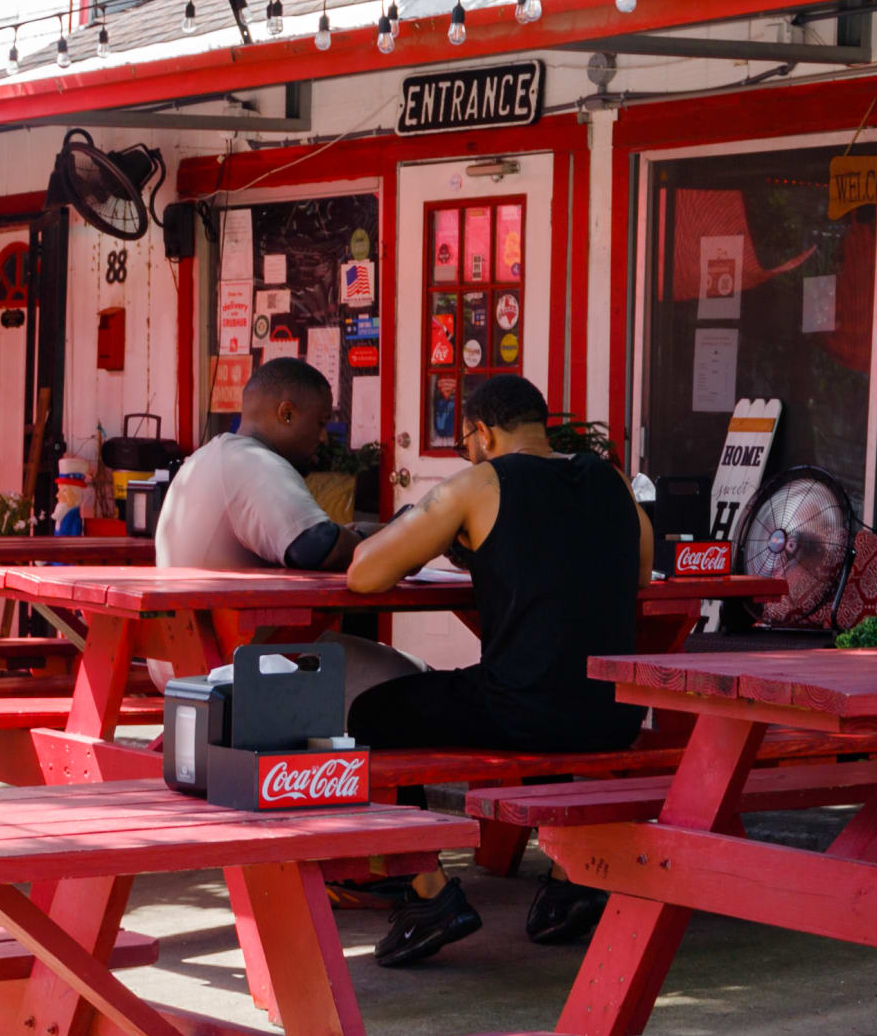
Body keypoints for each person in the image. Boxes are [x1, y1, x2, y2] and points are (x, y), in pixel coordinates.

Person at [341, 372, 652, 966]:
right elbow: (639, 574)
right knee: (542, 689)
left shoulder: (480, 484)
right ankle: (567, 877)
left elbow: (364, 573)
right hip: (614, 714)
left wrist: (440, 529)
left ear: (482, 434)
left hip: (523, 709)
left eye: (465, 443)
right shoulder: (612, 482)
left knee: (373, 713)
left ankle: (426, 890)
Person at [154, 356, 364, 572]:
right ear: (287, 414)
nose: (323, 438)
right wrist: (387, 538)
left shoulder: (207, 457)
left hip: (196, 603)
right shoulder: (255, 462)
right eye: (321, 423)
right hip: (217, 603)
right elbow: (316, 547)